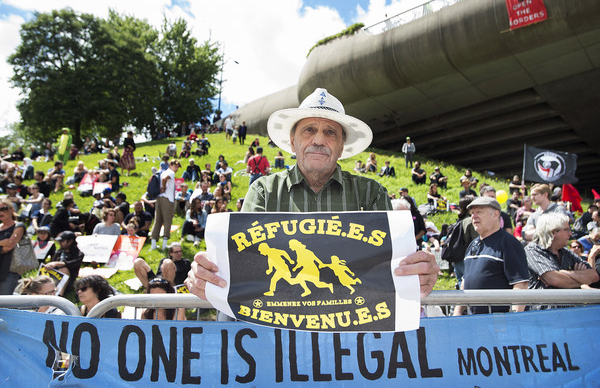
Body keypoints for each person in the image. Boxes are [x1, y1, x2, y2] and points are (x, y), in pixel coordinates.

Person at [186, 87, 438, 304]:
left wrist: (419, 272)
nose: (319, 139)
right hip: (278, 334)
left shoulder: (372, 194)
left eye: (330, 132)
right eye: (309, 130)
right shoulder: (263, 191)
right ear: (293, 142)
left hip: (351, 333)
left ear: (341, 147)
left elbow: (394, 267)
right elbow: (243, 265)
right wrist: (209, 274)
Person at [453, 197, 529, 315]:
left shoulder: (509, 243)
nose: (474, 216)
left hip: (499, 323)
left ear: (495, 214)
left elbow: (520, 284)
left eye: (479, 212)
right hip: (475, 321)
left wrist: (514, 317)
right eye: (472, 213)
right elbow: (465, 281)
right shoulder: (473, 244)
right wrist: (456, 314)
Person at [525, 213, 599, 290]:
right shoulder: (533, 251)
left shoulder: (566, 252)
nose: (570, 234)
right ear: (553, 232)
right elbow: (555, 280)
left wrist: (564, 272)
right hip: (545, 301)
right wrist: (580, 278)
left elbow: (594, 276)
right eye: (567, 230)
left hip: (570, 301)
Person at [150, 159, 181, 250]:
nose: (176, 169)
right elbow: (164, 179)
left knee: (158, 220)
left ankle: (154, 243)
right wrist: (164, 187)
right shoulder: (170, 173)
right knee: (167, 221)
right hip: (167, 199)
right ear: (170, 165)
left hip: (159, 198)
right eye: (175, 166)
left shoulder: (162, 172)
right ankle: (164, 244)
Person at [45, 231, 84, 295]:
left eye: (62, 241)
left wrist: (57, 264)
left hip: (68, 282)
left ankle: (59, 294)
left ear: (70, 241)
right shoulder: (59, 252)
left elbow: (72, 264)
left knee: (64, 270)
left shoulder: (79, 254)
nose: (60, 243)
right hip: (54, 278)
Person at [0, 199, 26, 294]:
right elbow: (6, 245)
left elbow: (10, 245)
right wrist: (3, 243)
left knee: (5, 302)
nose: (1, 212)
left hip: (9, 270)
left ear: (12, 209)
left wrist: (4, 244)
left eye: (4, 208)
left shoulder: (18, 226)